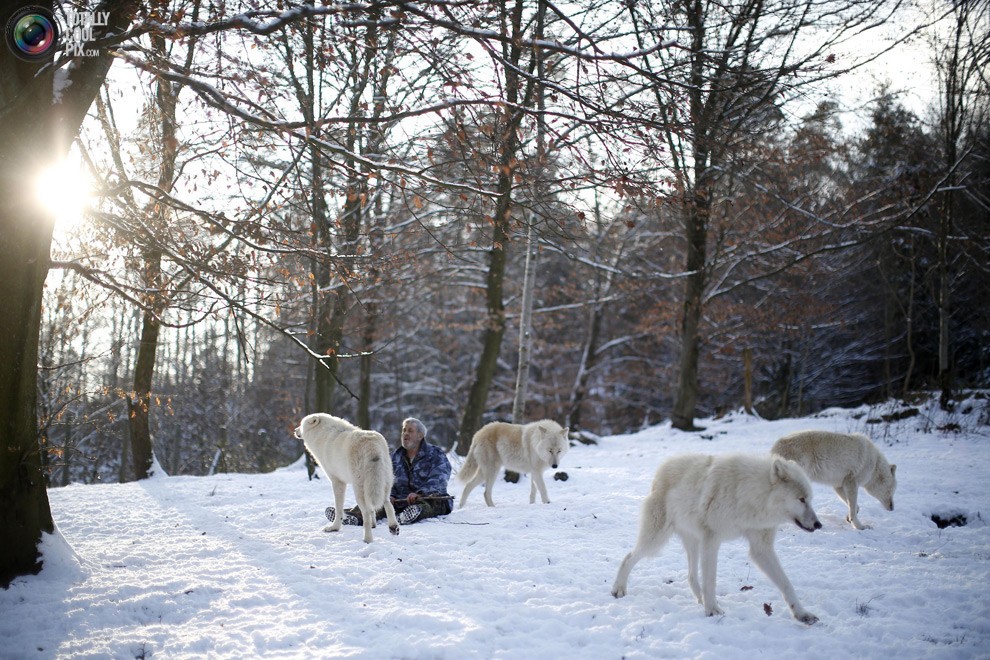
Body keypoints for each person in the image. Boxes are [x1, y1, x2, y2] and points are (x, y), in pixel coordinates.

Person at [325, 417, 453, 526]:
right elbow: (385, 479)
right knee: (378, 502)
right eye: (404, 430)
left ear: (420, 435)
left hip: (429, 498)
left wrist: (420, 493)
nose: (405, 434)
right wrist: (388, 495)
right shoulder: (394, 457)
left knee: (428, 504)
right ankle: (350, 516)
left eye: (410, 431)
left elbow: (440, 478)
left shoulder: (435, 454)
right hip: (400, 501)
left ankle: (411, 514)